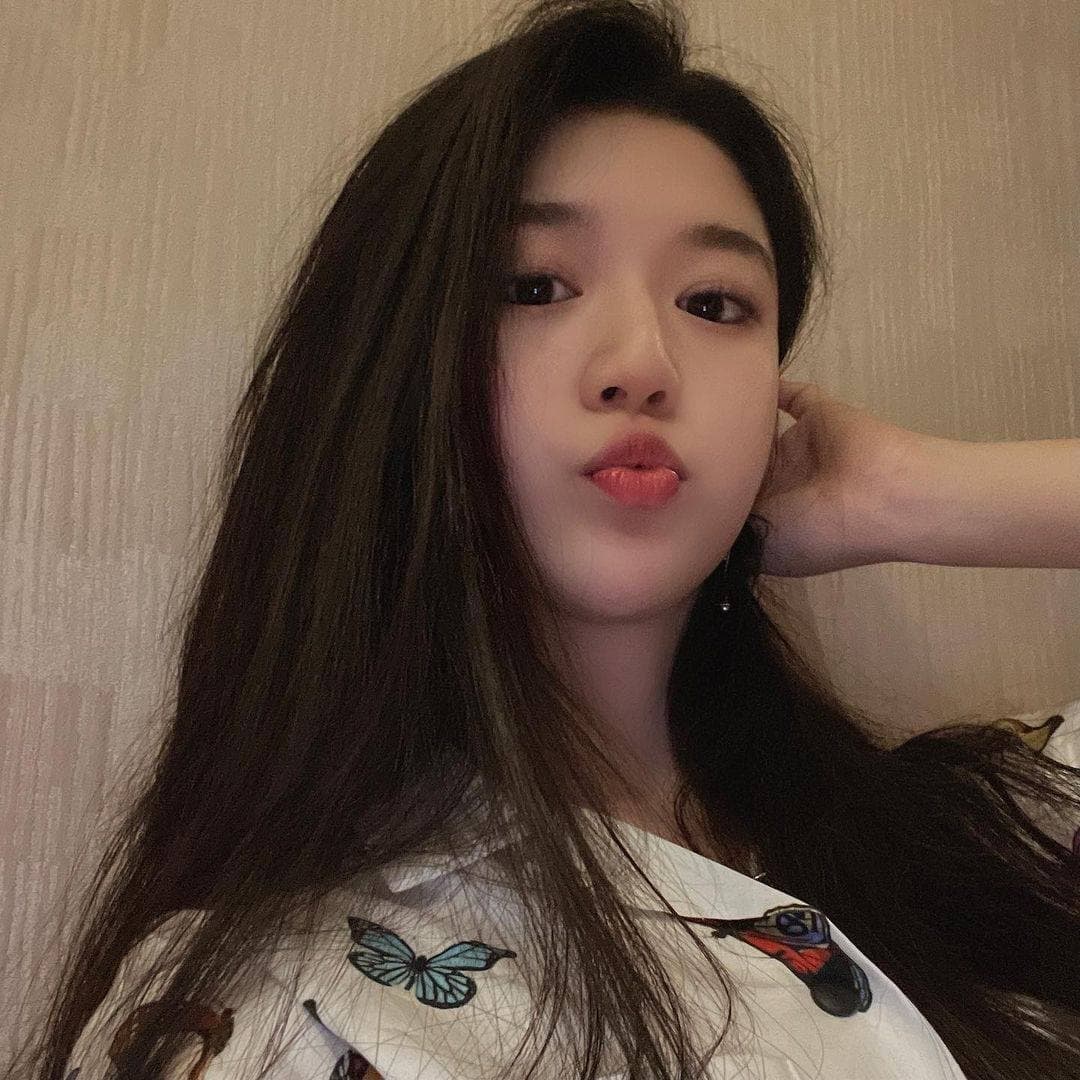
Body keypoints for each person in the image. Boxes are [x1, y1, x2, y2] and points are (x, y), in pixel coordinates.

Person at [8, 1, 1080, 1078]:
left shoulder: (968, 835)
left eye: (715, 303)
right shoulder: (272, 1006)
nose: (642, 361)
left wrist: (916, 495)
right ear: (391, 373)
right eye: (533, 286)